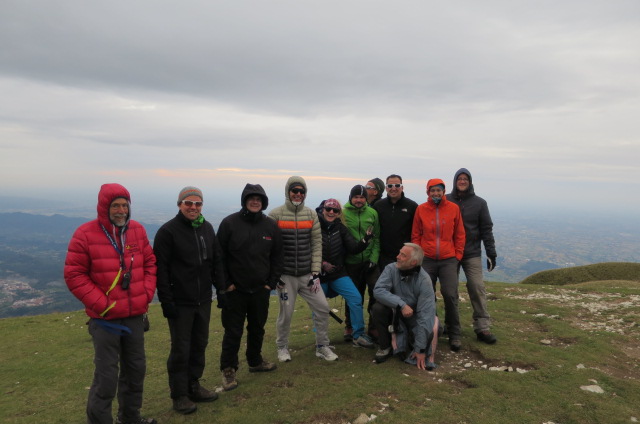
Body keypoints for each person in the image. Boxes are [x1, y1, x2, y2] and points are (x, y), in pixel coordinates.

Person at [64, 183, 157, 424]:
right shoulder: (85, 234)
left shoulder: (137, 230)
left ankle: (130, 418)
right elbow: (74, 275)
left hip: (134, 317)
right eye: (115, 205)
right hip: (105, 320)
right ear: (104, 207)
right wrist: (103, 305)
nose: (121, 210)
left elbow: (150, 263)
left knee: (135, 371)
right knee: (106, 377)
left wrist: (146, 293)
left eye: (125, 205)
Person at [154, 186, 225, 415]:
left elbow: (215, 261)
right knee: (181, 349)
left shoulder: (207, 228)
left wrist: (221, 290)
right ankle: (179, 395)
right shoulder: (168, 232)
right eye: (188, 203)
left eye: (197, 203)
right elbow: (161, 270)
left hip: (203, 299)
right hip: (180, 302)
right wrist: (166, 301)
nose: (193, 207)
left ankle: (193, 385)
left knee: (200, 344)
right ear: (180, 205)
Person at [217, 184, 284, 391]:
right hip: (235, 291)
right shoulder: (229, 223)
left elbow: (278, 257)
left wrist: (270, 284)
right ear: (244, 200)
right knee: (233, 332)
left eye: (259, 199)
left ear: (263, 202)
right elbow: (219, 257)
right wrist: (226, 285)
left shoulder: (270, 226)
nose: (255, 202)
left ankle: (255, 361)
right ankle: (228, 370)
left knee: (257, 328)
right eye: (251, 198)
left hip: (260, 290)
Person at [269, 176, 338, 362]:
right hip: (285, 276)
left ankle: (322, 346)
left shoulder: (311, 214)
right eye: (295, 191)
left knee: (323, 308)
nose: (298, 194)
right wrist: (274, 274)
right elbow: (268, 248)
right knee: (286, 315)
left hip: (308, 275)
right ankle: (282, 347)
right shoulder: (275, 215)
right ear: (288, 191)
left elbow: (316, 244)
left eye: (302, 191)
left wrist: (315, 272)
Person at [412, 179, 466, 352]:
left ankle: (454, 333)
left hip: (448, 259)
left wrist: (457, 255)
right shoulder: (421, 209)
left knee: (450, 294)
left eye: (438, 190)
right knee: (428, 296)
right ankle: (434, 328)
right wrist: (419, 255)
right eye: (432, 190)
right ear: (428, 192)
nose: (436, 193)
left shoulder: (453, 208)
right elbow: (416, 234)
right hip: (427, 259)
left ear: (443, 191)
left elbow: (460, 233)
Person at [446, 168, 498, 344]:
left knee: (476, 286)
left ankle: (482, 327)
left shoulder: (479, 203)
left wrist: (491, 253)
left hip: (471, 252)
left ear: (470, 182)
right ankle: (451, 325)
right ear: (455, 181)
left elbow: (486, 229)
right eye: (459, 178)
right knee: (450, 290)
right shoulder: (446, 200)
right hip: (451, 253)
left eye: (465, 179)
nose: (462, 181)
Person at [315, 198, 374, 348]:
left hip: (338, 273)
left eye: (335, 210)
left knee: (355, 298)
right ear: (322, 210)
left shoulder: (340, 228)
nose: (331, 212)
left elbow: (353, 248)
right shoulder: (314, 227)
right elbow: (306, 249)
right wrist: (322, 264)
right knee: (319, 305)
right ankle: (321, 340)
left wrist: (365, 240)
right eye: (328, 209)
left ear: (339, 213)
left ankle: (358, 335)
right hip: (319, 275)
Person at [372, 243, 439, 370]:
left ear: (413, 262)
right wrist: (401, 305)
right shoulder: (390, 268)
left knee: (434, 328)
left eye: (403, 255)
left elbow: (425, 315)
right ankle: (385, 347)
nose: (397, 256)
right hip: (395, 314)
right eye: (399, 253)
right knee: (378, 309)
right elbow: (378, 290)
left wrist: (420, 349)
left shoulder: (424, 280)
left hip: (414, 317)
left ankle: (412, 343)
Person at [342, 185, 381, 341]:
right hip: (351, 262)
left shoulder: (372, 213)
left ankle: (373, 327)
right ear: (351, 198)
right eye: (356, 197)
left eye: (362, 197)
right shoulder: (343, 214)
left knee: (376, 292)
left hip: (370, 261)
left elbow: (377, 238)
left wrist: (374, 259)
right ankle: (350, 326)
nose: (359, 200)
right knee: (352, 295)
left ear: (366, 198)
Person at [373, 174, 418, 270]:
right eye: (390, 186)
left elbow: (417, 231)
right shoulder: (378, 206)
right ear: (386, 188)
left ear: (402, 187)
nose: (393, 188)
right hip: (383, 256)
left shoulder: (412, 206)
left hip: (405, 255)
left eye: (397, 185)